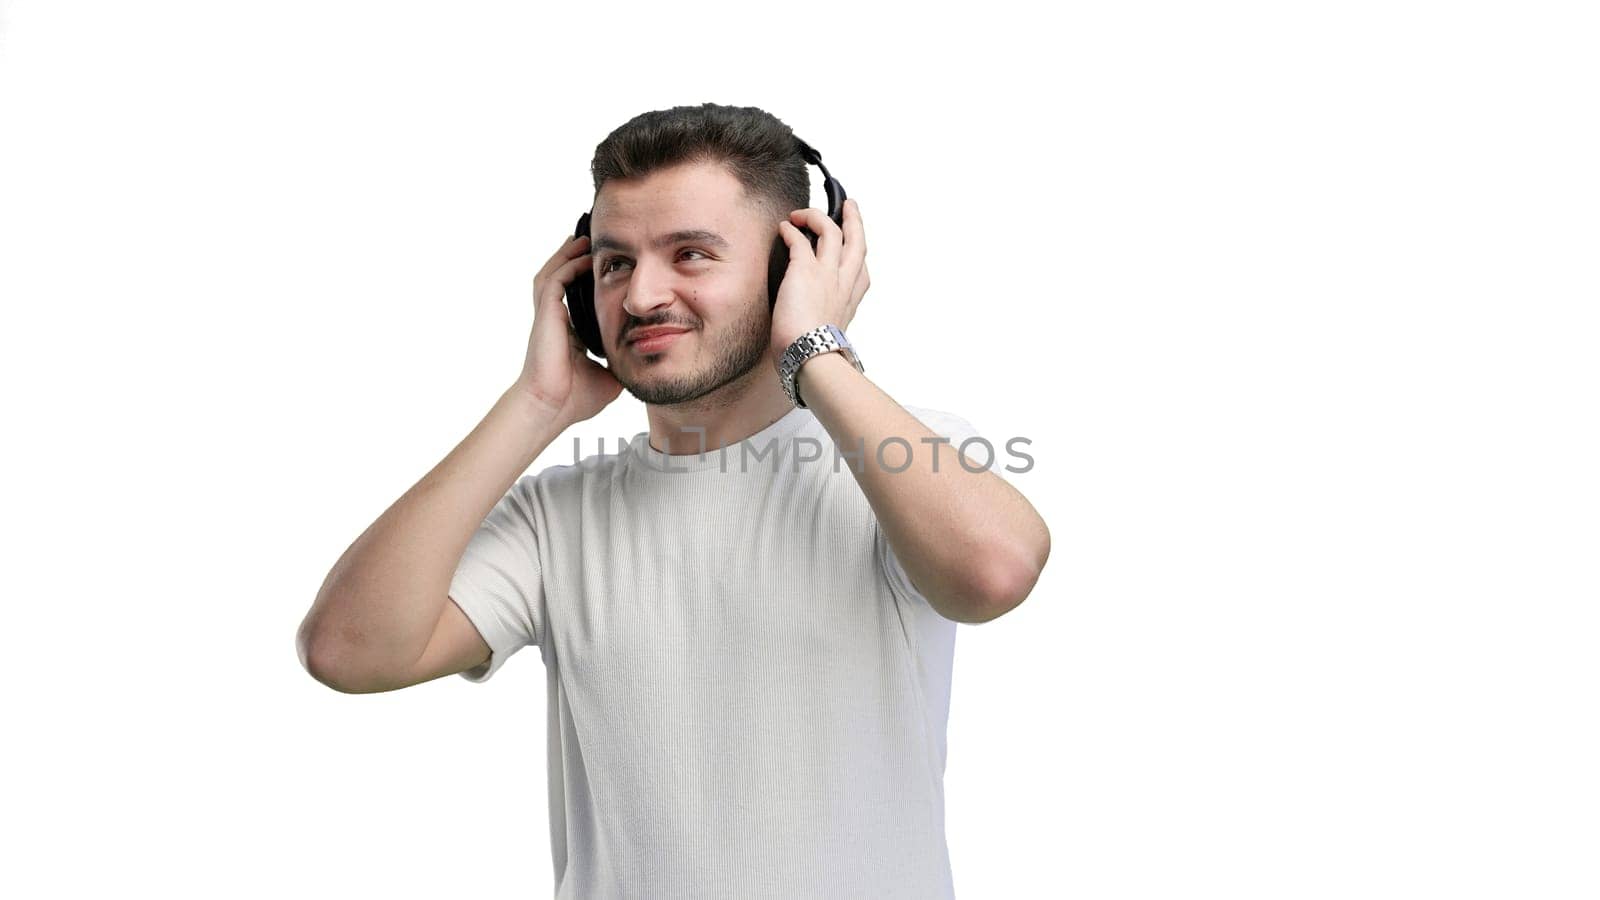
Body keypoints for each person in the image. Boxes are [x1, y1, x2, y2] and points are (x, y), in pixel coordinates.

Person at [296, 102, 1050, 899]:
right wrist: (537, 406)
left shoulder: (894, 460)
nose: (641, 294)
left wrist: (816, 352)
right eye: (615, 264)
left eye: (690, 254)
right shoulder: (557, 519)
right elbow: (348, 650)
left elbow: (994, 572)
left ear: (793, 268)